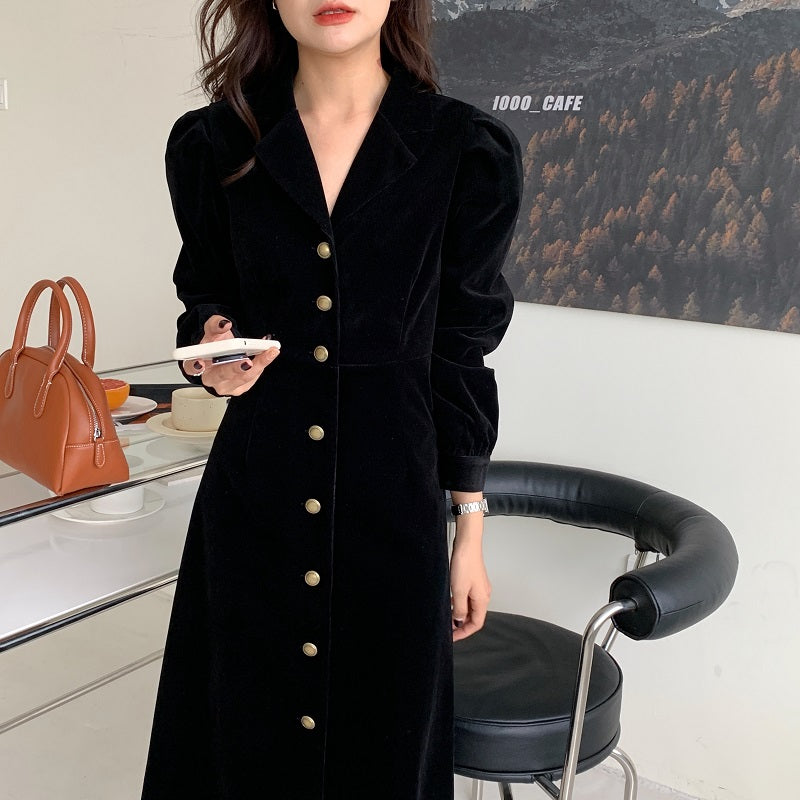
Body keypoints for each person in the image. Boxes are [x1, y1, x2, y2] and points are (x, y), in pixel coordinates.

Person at [140, 0, 523, 797]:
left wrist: (469, 528)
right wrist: (213, 347)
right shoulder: (215, 143)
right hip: (256, 497)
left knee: (381, 745)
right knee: (239, 739)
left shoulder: (463, 148)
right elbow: (204, 295)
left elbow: (461, 346)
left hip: (395, 501)